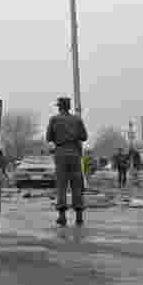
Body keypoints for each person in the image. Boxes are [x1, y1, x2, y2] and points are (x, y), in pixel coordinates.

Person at [45, 96, 88, 227]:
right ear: (68, 107)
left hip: (61, 154)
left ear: (59, 107)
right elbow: (84, 137)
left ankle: (62, 216)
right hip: (75, 153)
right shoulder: (77, 119)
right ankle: (79, 216)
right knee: (77, 185)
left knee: (62, 185)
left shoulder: (54, 119)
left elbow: (48, 137)